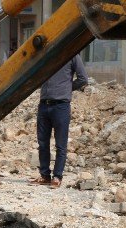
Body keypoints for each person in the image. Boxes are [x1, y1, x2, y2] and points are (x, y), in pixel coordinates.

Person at [32, 53, 88, 188]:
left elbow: (83, 79)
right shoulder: (47, 56)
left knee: (60, 144)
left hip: (61, 106)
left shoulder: (73, 55)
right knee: (43, 143)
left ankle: (57, 177)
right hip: (44, 104)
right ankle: (45, 175)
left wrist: (67, 87)